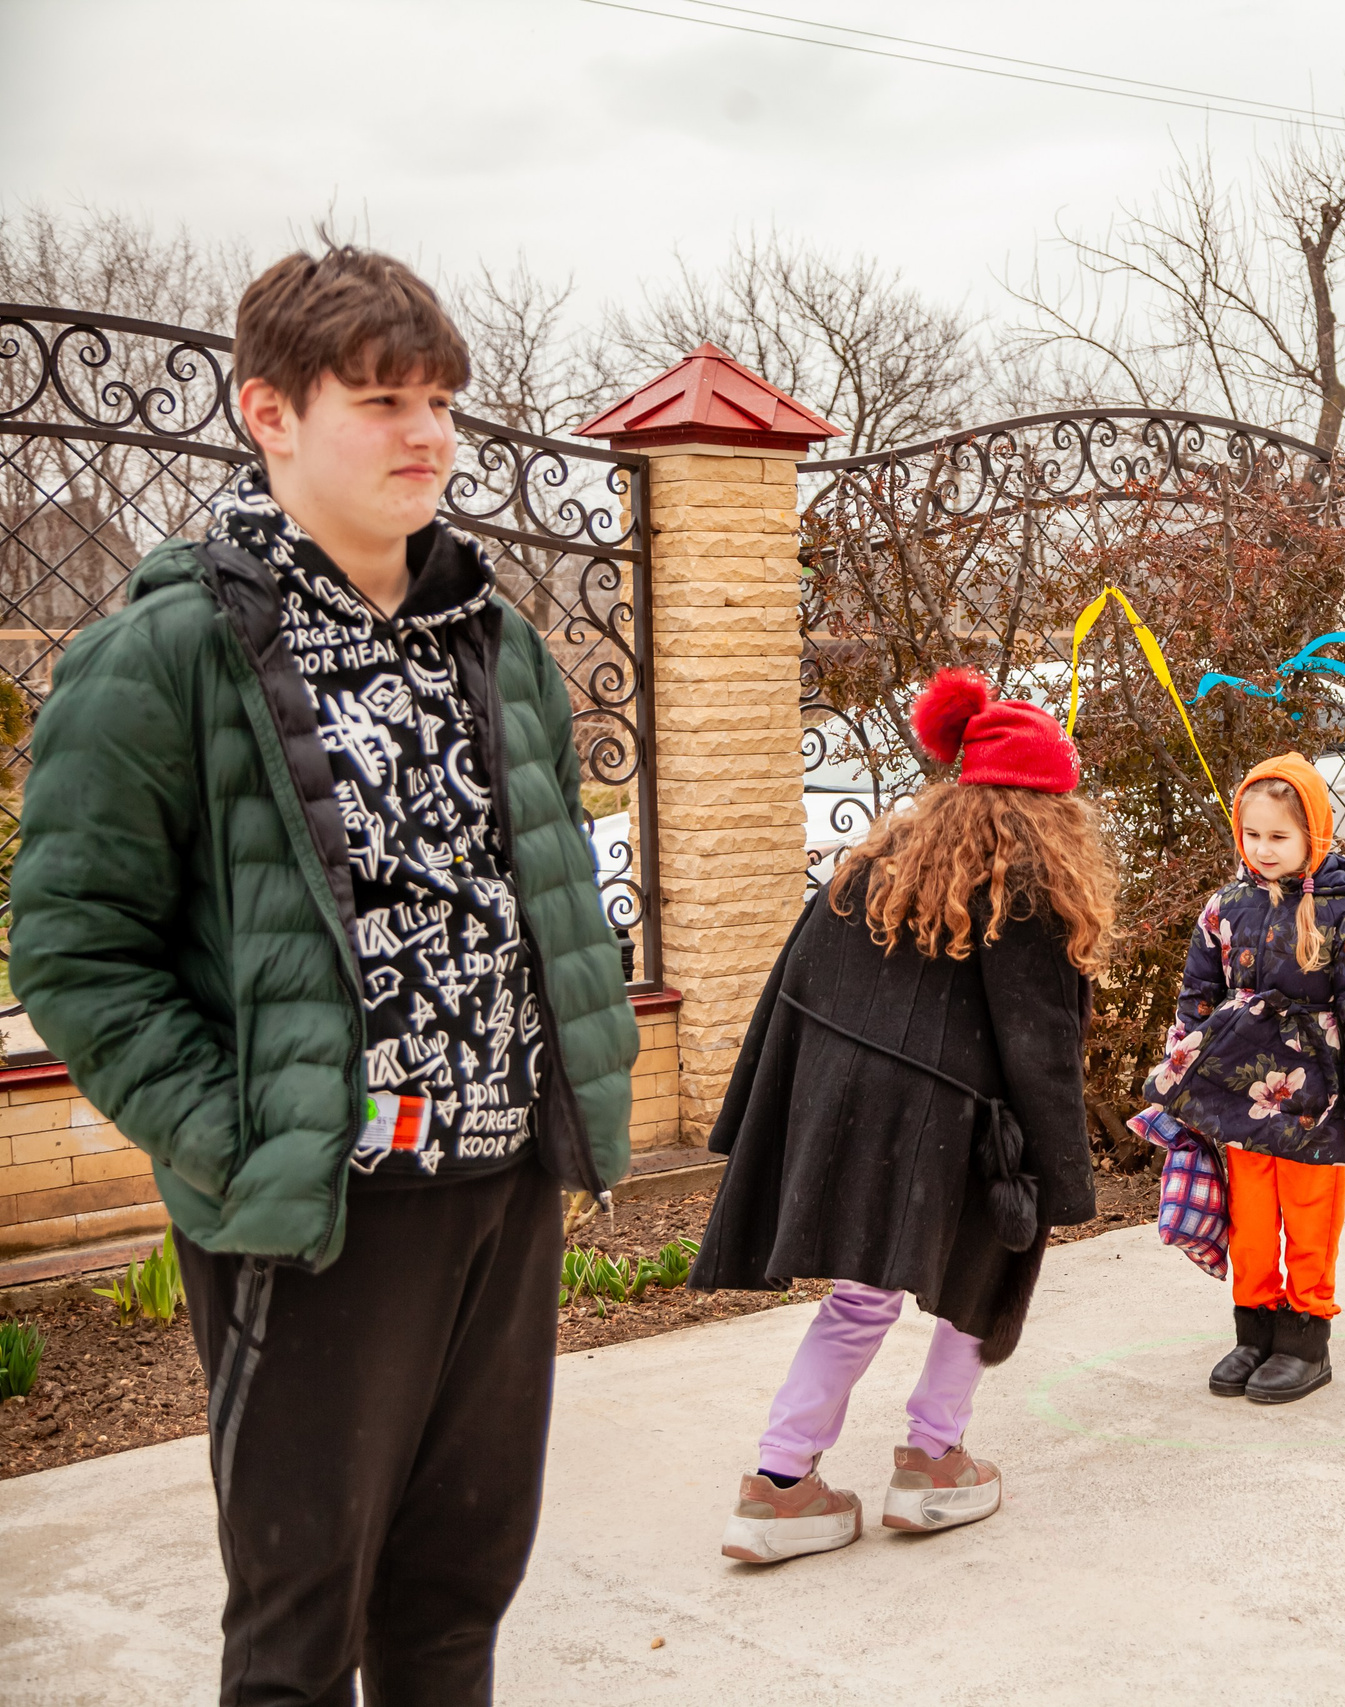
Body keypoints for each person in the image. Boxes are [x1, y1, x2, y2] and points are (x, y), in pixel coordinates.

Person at [12, 246, 638, 1704]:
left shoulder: (499, 636)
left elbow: (546, 886)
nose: (426, 433)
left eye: (440, 400)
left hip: (502, 1184)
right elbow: (72, 945)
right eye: (381, 399)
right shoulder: (169, 651)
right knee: (299, 1629)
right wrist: (238, 1137)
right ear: (271, 413)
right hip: (318, 1216)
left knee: (456, 1597)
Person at [692, 667, 1107, 1562]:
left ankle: (779, 1483)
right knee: (986, 1274)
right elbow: (1037, 1042)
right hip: (955, 1124)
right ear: (1050, 804)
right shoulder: (1028, 881)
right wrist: (1062, 1175)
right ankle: (932, 1460)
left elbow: (792, 987)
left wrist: (778, 1106)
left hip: (847, 1110)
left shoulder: (876, 866)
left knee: (859, 1298)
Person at [1139, 754, 1345, 1404]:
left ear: (1314, 833)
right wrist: (1185, 1078)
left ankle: (1306, 1341)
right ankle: (1253, 1330)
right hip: (1241, 1094)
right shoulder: (1225, 907)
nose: (1263, 848)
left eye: (1278, 836)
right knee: (1251, 1219)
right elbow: (1197, 997)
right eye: (1252, 834)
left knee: (1309, 1220)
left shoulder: (1342, 916)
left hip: (1316, 1099)